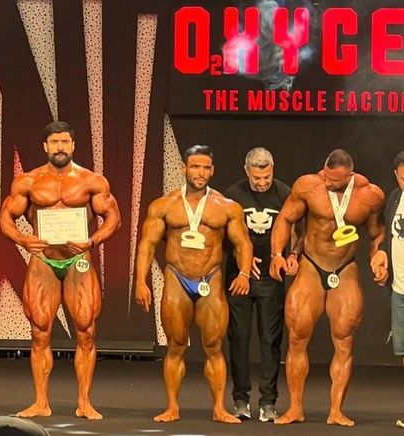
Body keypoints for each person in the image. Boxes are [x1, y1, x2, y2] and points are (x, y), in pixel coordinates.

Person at [0, 121, 121, 420]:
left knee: (86, 331)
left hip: (78, 260)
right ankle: (41, 402)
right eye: (55, 142)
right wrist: (23, 239)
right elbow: (4, 218)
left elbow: (113, 217)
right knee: (39, 332)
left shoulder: (92, 181)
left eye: (65, 141)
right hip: (44, 260)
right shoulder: (28, 182)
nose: (60, 147)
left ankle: (84, 402)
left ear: (73, 145)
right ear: (45, 146)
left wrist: (92, 241)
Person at [135, 144, 253, 424]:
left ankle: (219, 409)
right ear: (184, 168)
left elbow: (243, 243)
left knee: (214, 346)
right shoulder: (164, 205)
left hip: (210, 279)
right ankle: (172, 407)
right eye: (195, 167)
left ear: (212, 171)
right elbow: (147, 244)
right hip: (177, 278)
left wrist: (245, 273)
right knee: (176, 345)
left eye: (205, 168)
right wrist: (140, 281)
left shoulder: (227, 207)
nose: (200, 173)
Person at [270, 149, 385, 426]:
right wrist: (277, 254)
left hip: (344, 268)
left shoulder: (370, 195)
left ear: (350, 175)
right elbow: (285, 218)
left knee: (344, 339)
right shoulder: (308, 186)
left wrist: (378, 256)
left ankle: (336, 411)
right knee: (297, 335)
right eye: (327, 176)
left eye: (336, 180)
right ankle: (295, 408)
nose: (329, 182)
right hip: (311, 266)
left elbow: (377, 233)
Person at [224, 147, 300, 422]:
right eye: (257, 178)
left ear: (272, 169)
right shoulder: (233, 194)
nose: (262, 182)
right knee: (239, 338)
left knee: (270, 341)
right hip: (239, 276)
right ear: (247, 171)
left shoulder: (285, 193)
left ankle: (268, 402)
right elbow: (223, 234)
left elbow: (298, 230)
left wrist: (293, 255)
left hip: (271, 275)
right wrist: (242, 259)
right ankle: (241, 400)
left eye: (266, 176)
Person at [370, 151, 404, 428]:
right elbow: (389, 235)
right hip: (400, 289)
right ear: (396, 176)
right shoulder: (395, 197)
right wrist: (381, 253)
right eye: (403, 179)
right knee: (403, 352)